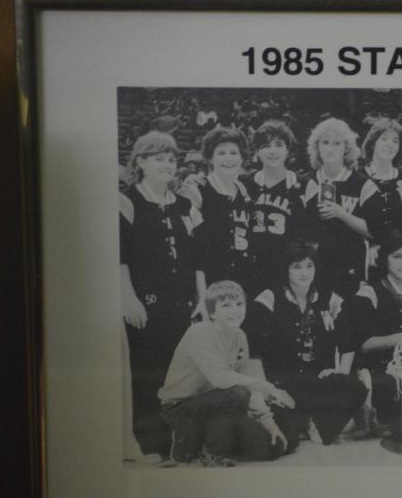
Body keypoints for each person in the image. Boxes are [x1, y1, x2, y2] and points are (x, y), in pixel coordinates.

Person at [120, 131, 203, 458]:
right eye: (159, 159)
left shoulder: (186, 204)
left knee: (180, 375)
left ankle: (180, 442)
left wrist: (200, 298)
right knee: (148, 375)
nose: (167, 164)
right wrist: (128, 298)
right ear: (141, 162)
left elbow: (197, 258)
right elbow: (121, 258)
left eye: (171, 159)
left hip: (182, 304)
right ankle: (152, 446)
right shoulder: (127, 201)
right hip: (146, 304)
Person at [158, 281, 294, 464]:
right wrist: (270, 388)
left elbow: (247, 382)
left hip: (219, 405)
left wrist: (269, 423)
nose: (235, 311)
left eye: (239, 304)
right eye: (226, 306)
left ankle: (208, 443)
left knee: (274, 447)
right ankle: (203, 449)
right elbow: (222, 379)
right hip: (181, 408)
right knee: (238, 393)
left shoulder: (240, 336)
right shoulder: (199, 333)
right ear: (212, 313)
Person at [248, 244, 366, 446]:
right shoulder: (269, 298)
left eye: (309, 266)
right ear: (286, 269)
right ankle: (304, 419)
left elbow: (348, 343)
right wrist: (266, 389)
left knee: (355, 387)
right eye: (297, 267)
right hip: (282, 382)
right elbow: (254, 351)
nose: (304, 272)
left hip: (317, 380)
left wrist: (340, 375)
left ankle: (315, 421)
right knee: (288, 438)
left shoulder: (330, 299)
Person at [337, 232, 402, 430]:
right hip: (382, 371)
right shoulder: (369, 293)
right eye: (397, 256)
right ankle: (367, 410)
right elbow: (363, 344)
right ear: (385, 259)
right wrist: (401, 338)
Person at [302, 118, 386, 298]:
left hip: (351, 268)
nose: (330, 148)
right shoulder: (307, 182)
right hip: (314, 269)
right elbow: (302, 233)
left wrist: (342, 214)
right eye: (325, 142)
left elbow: (375, 231)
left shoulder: (363, 185)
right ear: (317, 146)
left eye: (336, 143)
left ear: (346, 148)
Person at [184, 126, 257, 307]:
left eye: (234, 153)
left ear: (242, 157)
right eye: (221, 153)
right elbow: (194, 252)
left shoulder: (244, 191)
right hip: (209, 286)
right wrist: (202, 296)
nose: (228, 158)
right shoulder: (197, 190)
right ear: (210, 158)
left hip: (241, 286)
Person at [246, 119, 308, 294]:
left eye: (279, 145)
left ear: (288, 150)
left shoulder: (303, 184)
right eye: (265, 146)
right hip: (252, 269)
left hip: (288, 271)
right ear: (257, 151)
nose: (272, 151)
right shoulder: (244, 184)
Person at [360, 118, 402, 235]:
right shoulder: (357, 179)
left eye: (395, 141)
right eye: (384, 139)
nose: (390, 145)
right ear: (372, 144)